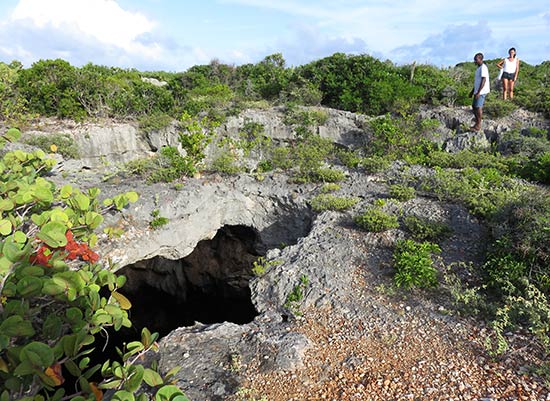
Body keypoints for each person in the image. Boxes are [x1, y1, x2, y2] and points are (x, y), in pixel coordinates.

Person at [469, 52, 490, 132]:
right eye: (474, 59)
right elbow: (477, 82)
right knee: (474, 106)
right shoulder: (478, 68)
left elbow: (483, 80)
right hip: (477, 91)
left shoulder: (483, 67)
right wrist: (472, 91)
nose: (475, 61)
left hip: (482, 91)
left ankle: (478, 125)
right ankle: (477, 123)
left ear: (481, 59)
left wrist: (479, 92)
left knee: (478, 107)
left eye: (476, 59)